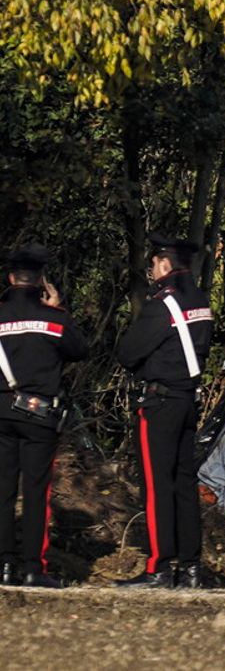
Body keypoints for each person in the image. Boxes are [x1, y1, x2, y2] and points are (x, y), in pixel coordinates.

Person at [114, 234, 214, 589]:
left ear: (165, 265)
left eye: (154, 263)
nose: (152, 269)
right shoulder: (199, 300)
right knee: (185, 485)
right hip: (189, 402)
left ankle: (158, 567)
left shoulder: (162, 305)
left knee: (158, 487)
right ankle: (190, 568)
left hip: (160, 404)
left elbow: (127, 353)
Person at [0, 243, 87, 588]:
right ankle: (34, 568)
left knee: (3, 491)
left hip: (1, 411)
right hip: (39, 415)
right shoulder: (55, 319)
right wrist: (59, 308)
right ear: (41, 281)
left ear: (10, 278)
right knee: (37, 493)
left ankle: (4, 566)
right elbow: (81, 350)